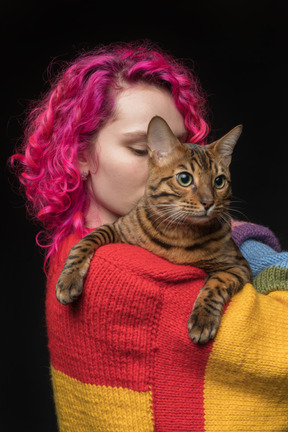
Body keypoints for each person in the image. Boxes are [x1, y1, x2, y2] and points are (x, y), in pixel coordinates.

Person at [11, 41, 288, 431]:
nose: (164, 166)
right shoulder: (129, 279)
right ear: (81, 156)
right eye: (146, 149)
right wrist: (267, 256)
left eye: (176, 146)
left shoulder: (74, 248)